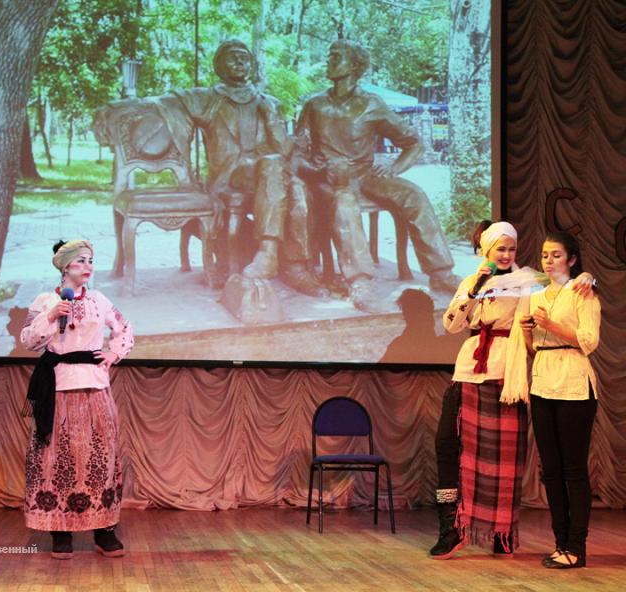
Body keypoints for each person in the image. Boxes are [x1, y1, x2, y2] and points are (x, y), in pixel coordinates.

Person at [431, 221, 594, 560]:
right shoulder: (471, 282)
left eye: (510, 249)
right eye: (499, 250)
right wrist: (476, 284)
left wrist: (586, 277)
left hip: (507, 375)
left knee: (503, 460)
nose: (505, 255)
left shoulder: (527, 283)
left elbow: (561, 285)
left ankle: (500, 533)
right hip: (469, 370)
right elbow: (450, 324)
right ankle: (451, 527)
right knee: (449, 445)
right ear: (486, 252)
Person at [294, 40, 459, 311]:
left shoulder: (372, 105)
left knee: (414, 194)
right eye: (330, 56)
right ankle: (360, 281)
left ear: (355, 66)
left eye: (337, 57)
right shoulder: (315, 105)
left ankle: (441, 273)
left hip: (365, 176)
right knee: (344, 201)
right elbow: (297, 151)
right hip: (329, 179)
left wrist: (393, 168)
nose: (329, 61)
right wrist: (313, 169)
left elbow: (413, 142)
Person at [159, 38, 323, 295]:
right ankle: (268, 253)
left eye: (244, 57)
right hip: (231, 174)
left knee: (299, 190)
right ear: (219, 65)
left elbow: (283, 149)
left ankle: (295, 267)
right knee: (274, 166)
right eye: (233, 56)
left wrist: (271, 116)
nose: (239, 61)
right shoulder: (207, 98)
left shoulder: (268, 102)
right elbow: (165, 103)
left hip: (270, 173)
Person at [21, 239, 134, 560]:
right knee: (59, 459)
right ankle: (60, 529)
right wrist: (51, 314)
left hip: (95, 387)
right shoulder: (46, 300)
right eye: (81, 261)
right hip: (58, 388)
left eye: (91, 261)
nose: (88, 267)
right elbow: (29, 339)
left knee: (99, 457)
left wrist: (114, 352)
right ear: (65, 266)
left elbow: (124, 327)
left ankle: (103, 529)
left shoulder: (99, 300)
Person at [519, 231, 600, 569]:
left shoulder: (584, 291)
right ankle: (560, 542)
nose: (548, 260)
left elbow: (588, 340)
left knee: (572, 469)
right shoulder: (538, 295)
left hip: (574, 382)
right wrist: (527, 333)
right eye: (544, 255)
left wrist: (552, 324)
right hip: (543, 379)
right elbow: (533, 347)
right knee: (550, 470)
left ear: (572, 259)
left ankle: (576, 547)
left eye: (555, 255)